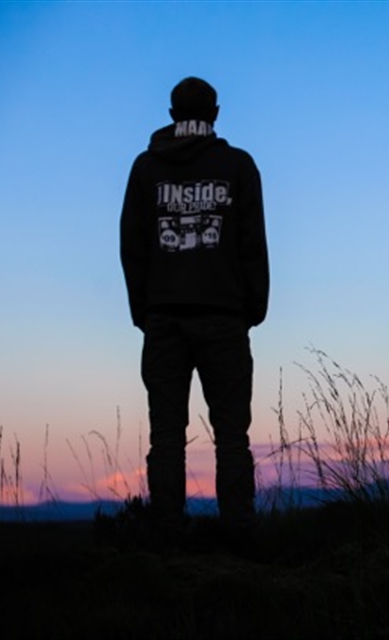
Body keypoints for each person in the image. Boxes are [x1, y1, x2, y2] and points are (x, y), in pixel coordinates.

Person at [120, 76, 269, 549]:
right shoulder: (238, 166)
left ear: (170, 115)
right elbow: (252, 245)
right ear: (217, 113)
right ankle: (241, 540)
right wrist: (254, 308)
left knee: (166, 434)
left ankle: (167, 539)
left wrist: (143, 310)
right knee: (232, 435)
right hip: (223, 316)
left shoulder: (146, 170)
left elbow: (133, 247)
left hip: (164, 319)